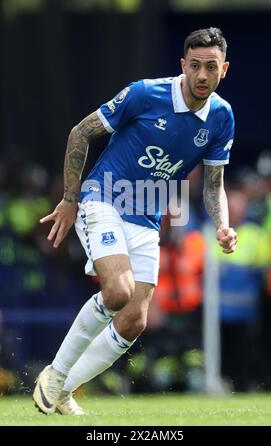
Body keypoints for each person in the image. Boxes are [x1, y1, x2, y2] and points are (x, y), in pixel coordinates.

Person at [33, 27, 238, 415]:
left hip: (147, 213)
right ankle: (56, 375)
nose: (200, 75)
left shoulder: (222, 118)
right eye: (194, 66)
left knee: (133, 321)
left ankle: (63, 389)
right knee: (118, 292)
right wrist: (69, 199)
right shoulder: (146, 93)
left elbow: (214, 187)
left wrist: (223, 225)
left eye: (210, 67)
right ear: (183, 65)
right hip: (102, 197)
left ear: (223, 69)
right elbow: (81, 133)